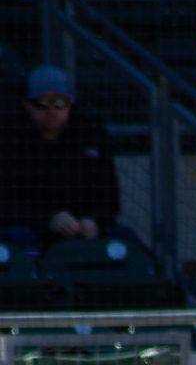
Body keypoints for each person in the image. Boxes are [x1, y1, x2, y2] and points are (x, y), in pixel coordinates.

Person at [0, 66, 122, 254]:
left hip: (82, 226)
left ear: (70, 103)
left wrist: (95, 220)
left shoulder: (91, 134)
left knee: (126, 242)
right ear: (26, 104)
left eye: (60, 102)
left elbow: (109, 198)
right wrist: (48, 219)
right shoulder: (10, 140)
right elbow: (6, 203)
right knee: (19, 242)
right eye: (42, 104)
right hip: (31, 228)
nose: (52, 110)